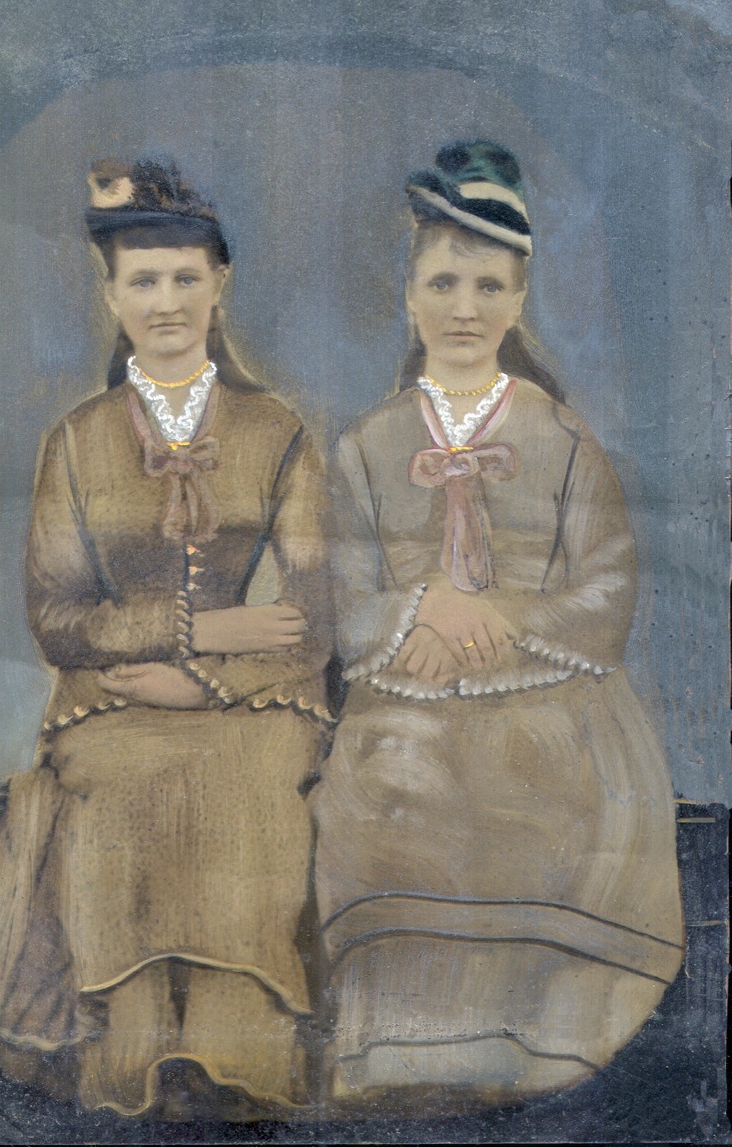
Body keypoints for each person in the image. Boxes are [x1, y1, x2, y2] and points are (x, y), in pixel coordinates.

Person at [0, 158, 333, 1119]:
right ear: (110, 294)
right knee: (120, 792)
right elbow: (57, 619)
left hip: (253, 702)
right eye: (143, 281)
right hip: (109, 702)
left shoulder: (276, 431)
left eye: (185, 278)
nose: (166, 302)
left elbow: (314, 612)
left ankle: (240, 1066)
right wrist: (194, 625)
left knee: (251, 789)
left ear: (219, 284)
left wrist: (205, 680)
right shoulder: (75, 441)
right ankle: (132, 1067)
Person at [311, 141, 685, 1112]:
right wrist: (419, 606)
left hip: (548, 695)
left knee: (528, 768)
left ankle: (541, 1038)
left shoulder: (562, 440)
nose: (463, 307)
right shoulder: (365, 446)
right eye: (442, 282)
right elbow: (343, 607)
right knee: (388, 780)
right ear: (409, 297)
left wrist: (497, 616)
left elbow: (606, 594)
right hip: (403, 691)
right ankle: (405, 1049)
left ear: (518, 300)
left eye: (487, 285)